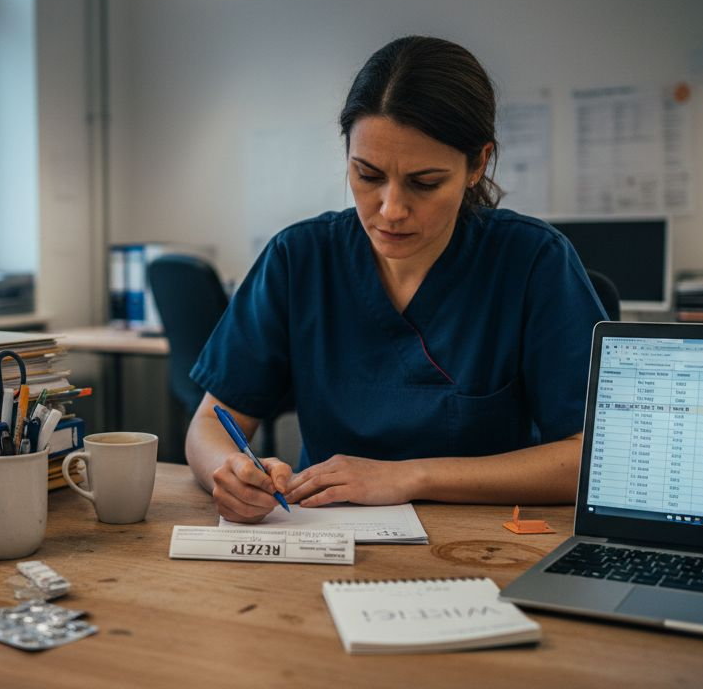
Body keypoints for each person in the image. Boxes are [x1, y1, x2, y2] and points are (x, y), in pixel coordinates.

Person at [184, 36, 607, 524]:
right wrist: (229, 469)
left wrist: (409, 476)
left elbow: (591, 457)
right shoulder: (298, 259)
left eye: (425, 183)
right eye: (367, 175)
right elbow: (209, 425)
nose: (391, 210)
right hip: (325, 537)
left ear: (478, 165)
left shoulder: (532, 262)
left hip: (487, 544)